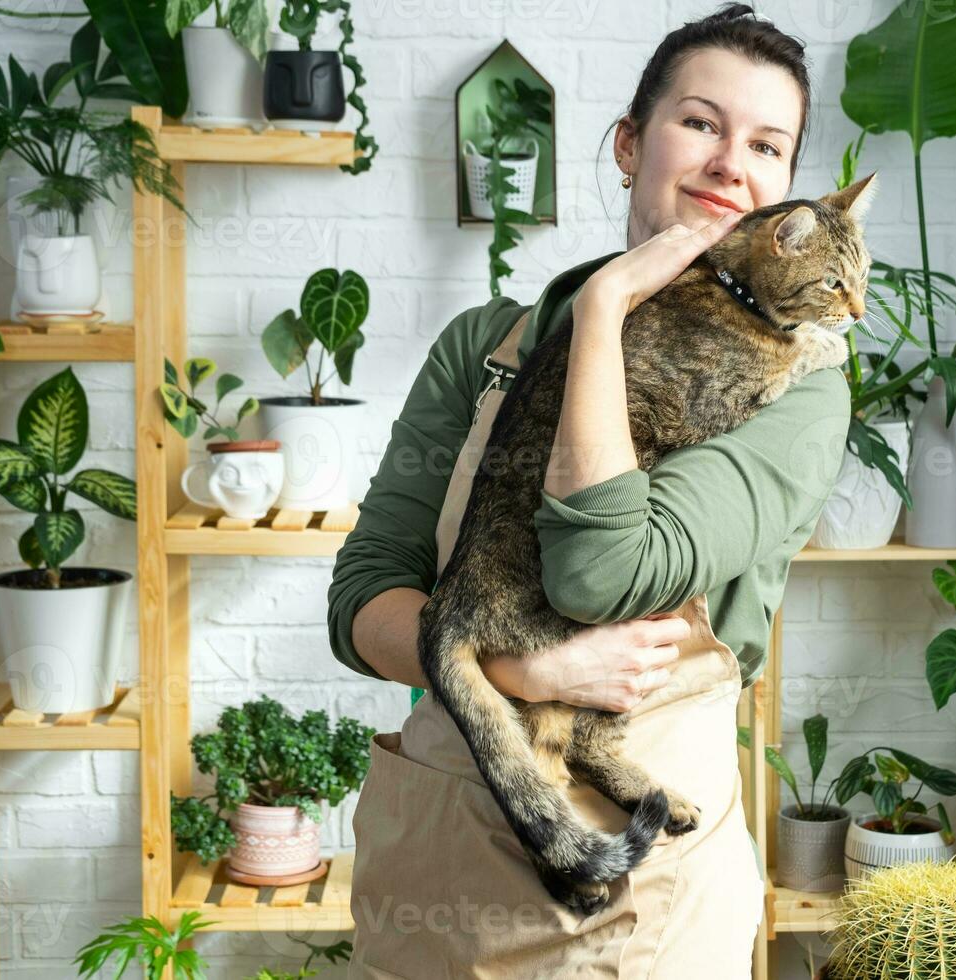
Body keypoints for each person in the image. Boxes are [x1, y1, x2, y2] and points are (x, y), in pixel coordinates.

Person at [327, 5, 850, 976]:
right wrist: (520, 677)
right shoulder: (484, 345)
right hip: (438, 891)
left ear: (784, 194)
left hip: (646, 913)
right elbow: (362, 599)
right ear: (628, 144)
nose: (731, 162)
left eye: (768, 146)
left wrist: (603, 320)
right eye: (700, 123)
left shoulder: (803, 387)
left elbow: (601, 569)